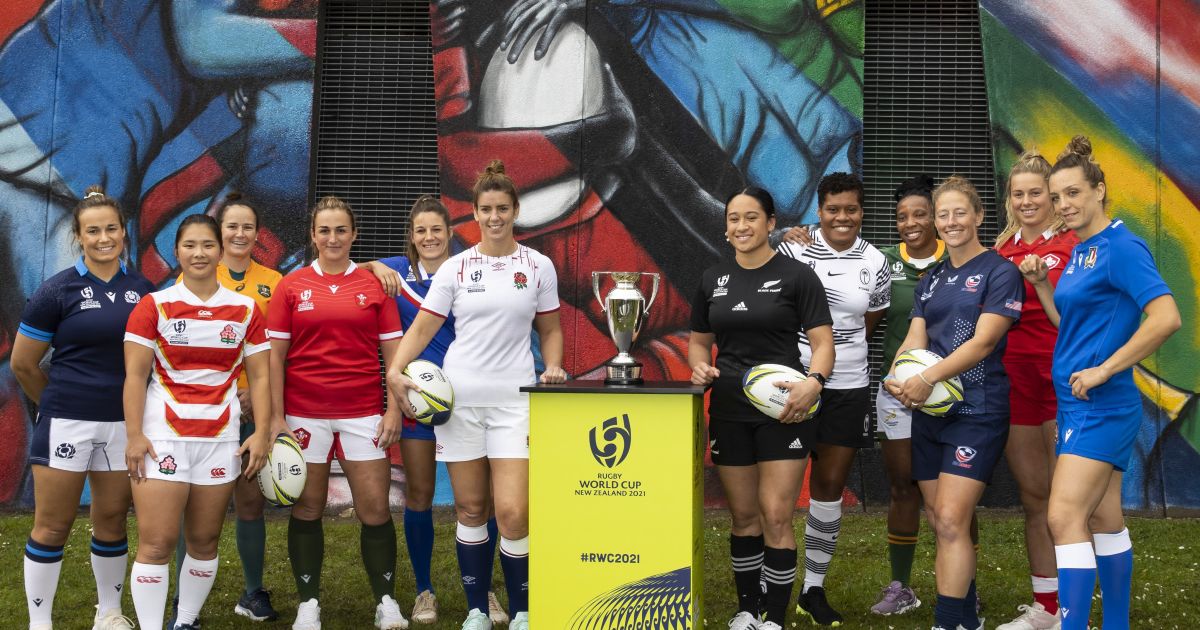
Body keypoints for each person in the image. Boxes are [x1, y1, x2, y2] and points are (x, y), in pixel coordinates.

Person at [387, 160, 566, 630]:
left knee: (512, 511)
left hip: (514, 404)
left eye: (502, 208)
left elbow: (550, 329)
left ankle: (524, 610)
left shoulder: (538, 266)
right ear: (474, 212)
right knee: (470, 508)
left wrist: (553, 365)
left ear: (515, 211)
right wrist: (395, 370)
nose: (494, 217)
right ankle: (475, 612)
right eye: (486, 209)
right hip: (460, 402)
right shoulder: (456, 268)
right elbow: (424, 326)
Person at [1019, 136, 1179, 630]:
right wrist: (1044, 286)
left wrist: (1107, 368)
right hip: (1075, 401)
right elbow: (1072, 324)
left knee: (1063, 517)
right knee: (1103, 518)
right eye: (1057, 196)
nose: (1064, 205)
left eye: (1073, 194)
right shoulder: (1085, 250)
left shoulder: (1122, 247)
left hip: (1103, 403)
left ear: (1100, 190)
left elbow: (1166, 317)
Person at [689, 187, 834, 630]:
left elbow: (824, 343)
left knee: (775, 513)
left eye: (751, 218)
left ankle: (773, 617)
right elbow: (699, 341)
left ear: (771, 223)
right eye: (734, 219)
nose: (741, 227)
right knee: (744, 516)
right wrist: (699, 366)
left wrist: (814, 383)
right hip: (730, 408)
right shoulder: (712, 279)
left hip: (785, 409)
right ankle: (746, 610)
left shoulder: (797, 276)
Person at [885, 175, 1025, 630]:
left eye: (959, 212)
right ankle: (965, 620)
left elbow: (984, 343)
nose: (950, 222)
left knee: (949, 517)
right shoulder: (933, 277)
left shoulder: (999, 272)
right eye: (943, 214)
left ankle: (948, 623)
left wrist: (926, 377)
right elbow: (915, 335)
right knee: (941, 521)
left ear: (979, 216)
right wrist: (898, 374)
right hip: (929, 412)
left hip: (977, 412)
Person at [123, 214, 273, 630]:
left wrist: (261, 432)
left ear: (220, 252)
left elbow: (260, 375)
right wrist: (134, 435)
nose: (199, 253)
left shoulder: (245, 309)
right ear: (177, 252)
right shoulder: (153, 305)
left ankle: (184, 621)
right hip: (163, 440)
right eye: (190, 245)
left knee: (205, 542)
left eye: (208, 245)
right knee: (157, 542)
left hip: (220, 440)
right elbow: (135, 376)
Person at [14, 187, 153, 630]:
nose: (103, 237)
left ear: (124, 233)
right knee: (52, 526)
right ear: (79, 237)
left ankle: (108, 613)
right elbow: (23, 364)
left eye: (111, 228)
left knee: (111, 519)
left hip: (123, 425)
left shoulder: (144, 290)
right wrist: (56, 406)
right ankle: (41, 622)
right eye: (93, 231)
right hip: (66, 422)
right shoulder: (57, 290)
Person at [365, 195, 508, 625]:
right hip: (417, 401)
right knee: (420, 495)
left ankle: (485, 589)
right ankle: (424, 589)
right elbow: (344, 265)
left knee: (480, 503)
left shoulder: (468, 271)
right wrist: (375, 265)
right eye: (421, 230)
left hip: (468, 397)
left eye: (436, 230)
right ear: (412, 237)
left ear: (450, 233)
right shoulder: (398, 274)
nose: (429, 237)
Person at [267, 196, 408, 630]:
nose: (332, 238)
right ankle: (308, 605)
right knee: (307, 508)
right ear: (312, 235)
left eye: (341, 230)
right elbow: (274, 358)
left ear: (353, 235)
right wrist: (276, 419)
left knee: (375, 510)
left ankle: (386, 601)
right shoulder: (290, 287)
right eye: (324, 230)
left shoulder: (373, 287)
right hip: (304, 415)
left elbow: (394, 356)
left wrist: (394, 412)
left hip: (364, 412)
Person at [777, 172, 891, 626]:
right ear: (819, 210)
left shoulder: (876, 261)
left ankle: (812, 589)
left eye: (851, 209)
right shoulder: (794, 250)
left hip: (847, 388)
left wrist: (836, 353)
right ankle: (772, 584)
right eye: (833, 209)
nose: (842, 217)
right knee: (781, 490)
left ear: (862, 212)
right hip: (792, 384)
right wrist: (780, 233)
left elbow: (874, 314)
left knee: (827, 488)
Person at [166, 194, 285, 625]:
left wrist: (261, 402)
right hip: (204, 410)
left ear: (258, 233)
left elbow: (273, 354)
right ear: (218, 234)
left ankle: (252, 592)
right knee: (193, 506)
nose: (239, 234)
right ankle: (183, 600)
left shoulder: (274, 281)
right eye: (231, 227)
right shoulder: (196, 275)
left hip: (252, 408)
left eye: (247, 227)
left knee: (250, 503)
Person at [993, 151, 1078, 630]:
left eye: (1035, 193)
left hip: (1063, 381)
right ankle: (1045, 608)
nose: (1027, 201)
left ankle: (1073, 604)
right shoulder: (1001, 249)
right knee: (1034, 498)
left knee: (1068, 503)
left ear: (1052, 196)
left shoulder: (1073, 243)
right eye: (1018, 193)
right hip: (1015, 382)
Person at [869, 174, 947, 616]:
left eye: (920, 214)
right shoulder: (881, 261)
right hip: (897, 391)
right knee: (903, 487)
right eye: (902, 216)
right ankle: (901, 586)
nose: (911, 223)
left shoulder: (958, 257)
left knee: (952, 494)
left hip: (950, 393)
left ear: (936, 217)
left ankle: (961, 585)